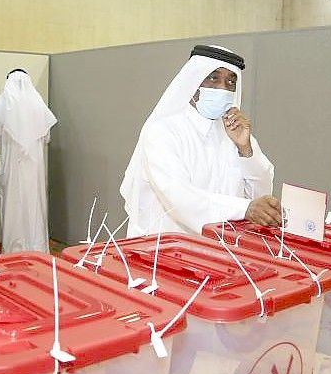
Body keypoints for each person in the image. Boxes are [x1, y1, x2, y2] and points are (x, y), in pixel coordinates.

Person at [120, 45, 281, 237]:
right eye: (214, 78)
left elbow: (260, 197)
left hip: (222, 252)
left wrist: (245, 149)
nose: (223, 88)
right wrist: (244, 209)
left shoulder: (235, 132)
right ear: (194, 82)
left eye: (231, 82)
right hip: (163, 253)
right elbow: (180, 199)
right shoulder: (163, 132)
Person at [0, 69, 57, 253]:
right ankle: (37, 248)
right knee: (35, 206)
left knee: (14, 207)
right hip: (35, 167)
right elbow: (47, 136)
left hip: (13, 167)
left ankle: (14, 250)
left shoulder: (5, 100)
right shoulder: (37, 102)